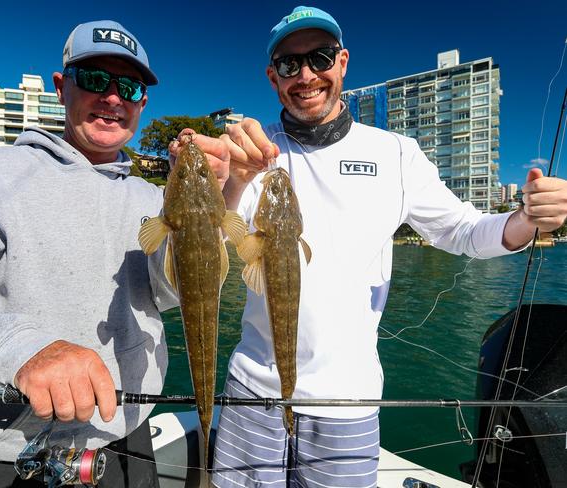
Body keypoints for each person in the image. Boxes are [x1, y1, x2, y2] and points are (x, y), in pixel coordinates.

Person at [174, 6, 567, 488]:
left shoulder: (396, 153)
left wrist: (526, 218)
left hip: (349, 402)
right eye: (289, 64)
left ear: (341, 62)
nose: (306, 75)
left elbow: (464, 232)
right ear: (272, 77)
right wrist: (228, 181)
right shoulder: (253, 153)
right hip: (253, 391)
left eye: (318, 58)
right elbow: (205, 249)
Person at [0, 20, 225, 488]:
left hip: (127, 441)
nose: (113, 97)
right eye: (95, 79)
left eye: (130, 86)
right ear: (62, 88)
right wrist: (22, 350)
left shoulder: (150, 199)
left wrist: (206, 201)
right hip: (3, 460)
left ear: (143, 102)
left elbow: (173, 294)